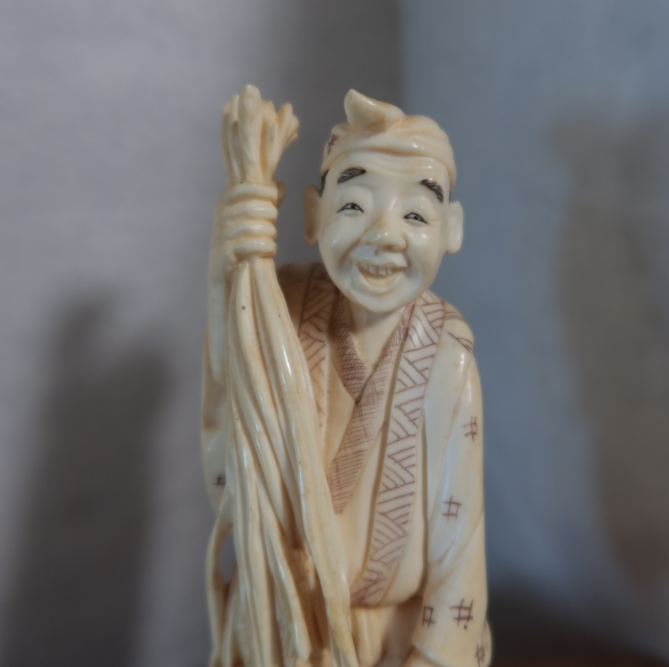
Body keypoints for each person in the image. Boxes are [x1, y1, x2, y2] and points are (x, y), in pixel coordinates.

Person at [203, 89, 490, 667]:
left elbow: (461, 541)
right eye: (354, 206)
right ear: (313, 216)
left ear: (452, 229)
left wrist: (433, 656)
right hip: (286, 631)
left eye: (416, 215)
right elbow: (227, 457)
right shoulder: (275, 308)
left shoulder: (445, 353)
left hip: (395, 637)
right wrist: (225, 276)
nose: (384, 235)